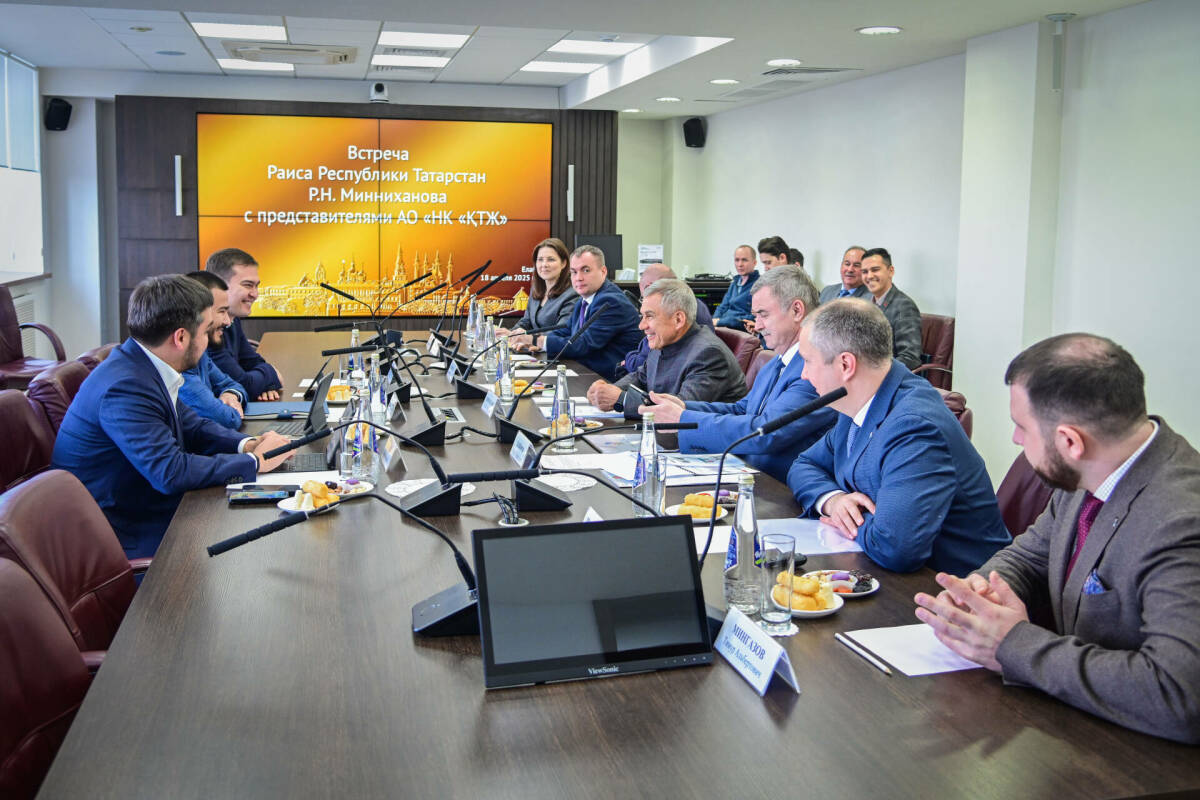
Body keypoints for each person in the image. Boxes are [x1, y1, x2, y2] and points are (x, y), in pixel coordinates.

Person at [913, 334, 1200, 744]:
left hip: (1144, 757)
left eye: (1021, 427)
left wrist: (1012, 644)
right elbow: (1030, 556)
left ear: (1069, 441)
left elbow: (1177, 693)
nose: (1015, 439)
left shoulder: (1181, 521)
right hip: (1077, 725)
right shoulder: (1095, 466)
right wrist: (982, 592)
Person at [51, 275, 294, 559]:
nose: (209, 342)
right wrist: (254, 462)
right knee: (259, 548)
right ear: (180, 338)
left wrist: (247, 445)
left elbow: (192, 426)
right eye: (206, 332)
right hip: (122, 532)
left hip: (145, 506)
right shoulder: (125, 387)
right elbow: (170, 472)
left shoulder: (142, 365)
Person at [786, 299, 1010, 575]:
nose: (804, 375)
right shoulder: (856, 401)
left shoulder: (915, 427)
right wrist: (833, 500)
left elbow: (894, 546)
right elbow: (804, 464)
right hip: (884, 570)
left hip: (950, 587)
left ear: (845, 364)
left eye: (808, 361)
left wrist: (850, 520)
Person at [641, 266, 836, 482]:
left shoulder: (816, 372)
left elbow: (765, 432)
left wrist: (683, 419)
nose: (757, 325)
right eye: (755, 315)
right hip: (746, 475)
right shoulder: (776, 363)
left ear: (797, 310)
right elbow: (742, 410)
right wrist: (683, 407)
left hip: (778, 487)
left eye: (763, 314)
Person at [587, 279, 746, 417]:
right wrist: (608, 391)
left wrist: (622, 399)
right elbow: (641, 377)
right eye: (642, 316)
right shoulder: (664, 341)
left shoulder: (709, 354)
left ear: (678, 320)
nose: (641, 325)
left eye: (649, 316)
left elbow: (678, 412)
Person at [531, 245, 642, 381]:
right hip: (587, 374)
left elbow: (583, 344)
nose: (578, 278)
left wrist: (538, 341)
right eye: (574, 272)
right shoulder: (584, 299)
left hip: (609, 381)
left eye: (586, 270)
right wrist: (538, 343)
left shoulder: (610, 301)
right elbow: (567, 331)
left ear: (603, 271)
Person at [204, 248, 285, 400]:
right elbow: (244, 384)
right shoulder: (207, 330)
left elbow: (254, 363)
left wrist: (263, 383)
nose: (255, 294)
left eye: (256, 286)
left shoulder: (233, 320)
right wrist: (269, 376)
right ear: (218, 285)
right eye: (248, 285)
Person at [618, 264, 713, 376]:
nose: (642, 325)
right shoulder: (692, 304)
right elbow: (643, 369)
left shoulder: (670, 313)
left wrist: (628, 360)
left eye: (649, 315)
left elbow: (640, 364)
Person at [180, 271, 246, 430]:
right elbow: (226, 419)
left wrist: (231, 394)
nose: (227, 321)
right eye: (222, 311)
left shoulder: (200, 354)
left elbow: (232, 384)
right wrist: (228, 409)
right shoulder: (180, 362)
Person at [500, 237, 578, 350]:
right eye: (540, 260)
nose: (544, 264)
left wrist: (531, 339)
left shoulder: (572, 294)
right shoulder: (536, 289)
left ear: (564, 263)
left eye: (551, 259)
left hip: (555, 353)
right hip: (533, 352)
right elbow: (526, 322)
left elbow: (562, 331)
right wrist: (510, 334)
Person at [860, 247, 922, 370]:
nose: (869, 276)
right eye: (865, 272)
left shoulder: (904, 306)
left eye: (875, 270)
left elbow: (910, 357)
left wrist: (875, 371)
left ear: (891, 271)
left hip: (883, 375)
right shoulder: (864, 301)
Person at [711, 245, 759, 332]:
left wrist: (720, 322)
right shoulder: (735, 282)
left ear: (754, 262)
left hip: (739, 330)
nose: (740, 264)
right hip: (723, 327)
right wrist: (714, 321)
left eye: (744, 260)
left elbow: (753, 318)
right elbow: (722, 307)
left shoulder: (759, 285)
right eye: (737, 260)